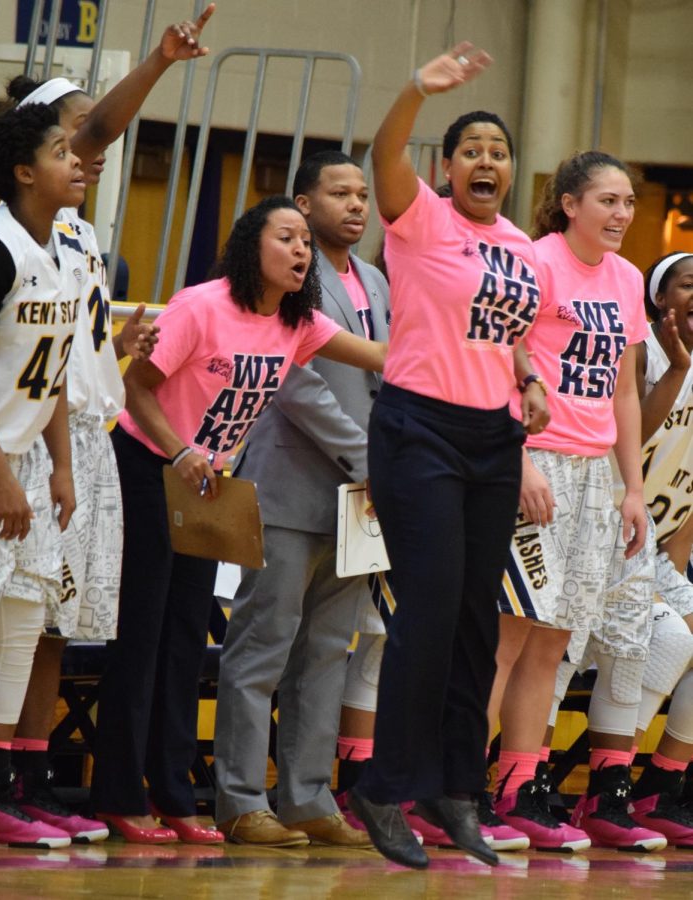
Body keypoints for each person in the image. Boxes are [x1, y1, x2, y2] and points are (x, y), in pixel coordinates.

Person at [89, 195, 387, 843]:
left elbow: (379, 356)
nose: (302, 250)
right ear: (253, 245)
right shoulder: (202, 305)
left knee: (186, 638)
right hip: (149, 468)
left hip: (207, 484)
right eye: (288, 237)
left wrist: (478, 361)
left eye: (307, 241)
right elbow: (137, 386)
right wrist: (180, 451)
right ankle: (118, 793)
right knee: (141, 638)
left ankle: (173, 795)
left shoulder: (294, 322)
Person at [1, 5, 216, 846]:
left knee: (53, 619)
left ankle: (26, 777)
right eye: (76, 127)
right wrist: (159, 63)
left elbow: (71, 348)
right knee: (11, 614)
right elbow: (101, 123)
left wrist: (111, 346)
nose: (93, 143)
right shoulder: (19, 233)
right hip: (26, 437)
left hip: (85, 439)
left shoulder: (86, 235)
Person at [345, 42, 549, 870]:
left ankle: (455, 788)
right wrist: (414, 88)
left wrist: (529, 377)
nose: (487, 162)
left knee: (476, 618)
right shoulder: (420, 216)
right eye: (472, 151)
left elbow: (510, 332)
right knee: (426, 609)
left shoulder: (524, 248)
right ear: (448, 166)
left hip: (494, 437)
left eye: (498, 153)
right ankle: (382, 786)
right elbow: (383, 156)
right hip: (419, 429)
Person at [212, 151, 388, 849]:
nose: (355, 205)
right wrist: (371, 457)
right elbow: (295, 382)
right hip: (290, 488)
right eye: (338, 193)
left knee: (325, 652)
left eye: (363, 194)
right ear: (303, 205)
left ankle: (309, 797)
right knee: (262, 649)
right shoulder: (286, 279)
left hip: (360, 503)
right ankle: (238, 799)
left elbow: (392, 378)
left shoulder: (375, 278)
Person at [488, 150, 652, 851]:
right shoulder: (535, 260)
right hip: (535, 462)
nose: (621, 214)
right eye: (608, 201)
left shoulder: (629, 277)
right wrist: (520, 459)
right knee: (507, 636)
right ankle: (452, 791)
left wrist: (634, 486)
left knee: (555, 643)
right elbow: (500, 361)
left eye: (628, 202)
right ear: (569, 205)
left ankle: (516, 791)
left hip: (594, 476)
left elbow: (621, 389)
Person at [548, 252, 693, 848]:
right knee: (664, 639)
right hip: (595, 525)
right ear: (660, 298)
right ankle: (578, 785)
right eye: (689, 284)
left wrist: (677, 557)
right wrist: (677, 372)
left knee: (669, 635)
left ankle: (658, 783)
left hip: (652, 544)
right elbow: (633, 435)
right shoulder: (643, 353)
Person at [0, 103, 85, 847]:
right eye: (61, 150)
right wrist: (0, 476)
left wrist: (59, 466)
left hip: (24, 462)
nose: (79, 161)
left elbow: (47, 377)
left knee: (21, 620)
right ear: (23, 171)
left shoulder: (68, 251)